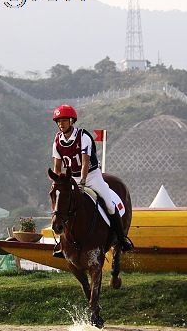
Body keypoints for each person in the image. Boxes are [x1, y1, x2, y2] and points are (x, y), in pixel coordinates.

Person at [51, 104, 133, 258]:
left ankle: (121, 239)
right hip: (71, 178)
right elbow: (57, 166)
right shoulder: (57, 140)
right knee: (63, 207)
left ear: (71, 120)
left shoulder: (83, 137)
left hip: (91, 175)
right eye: (58, 121)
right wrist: (57, 182)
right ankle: (62, 244)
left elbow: (85, 162)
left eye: (63, 120)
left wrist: (82, 182)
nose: (61, 124)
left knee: (109, 204)